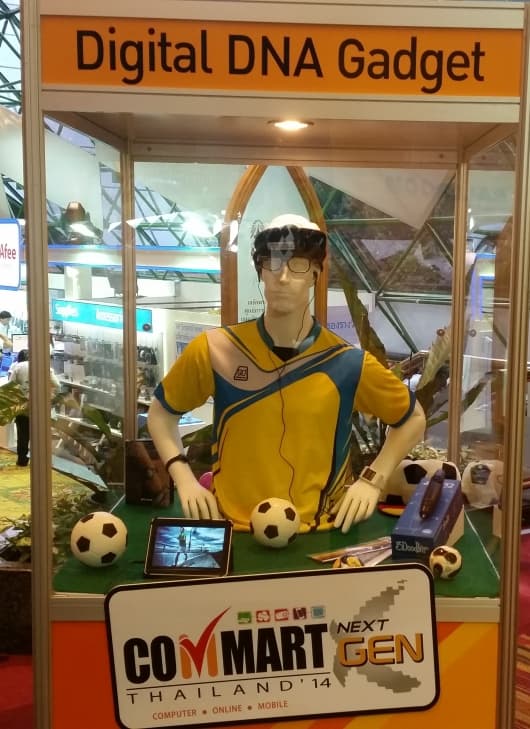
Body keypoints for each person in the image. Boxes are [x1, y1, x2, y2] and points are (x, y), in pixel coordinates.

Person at [148, 213, 426, 533]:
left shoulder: (347, 363)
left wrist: (373, 480)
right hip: (233, 529)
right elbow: (160, 414)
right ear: (260, 271)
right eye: (273, 263)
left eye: (298, 265)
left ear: (315, 274)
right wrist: (184, 478)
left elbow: (413, 418)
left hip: (319, 531)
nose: (283, 277)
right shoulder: (214, 349)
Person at [8, 348, 60, 466]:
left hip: (23, 406)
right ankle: (40, 461)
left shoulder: (17, 367)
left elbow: (10, 386)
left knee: (23, 434)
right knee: (39, 434)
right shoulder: (44, 367)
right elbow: (57, 385)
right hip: (40, 406)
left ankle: (22, 460)